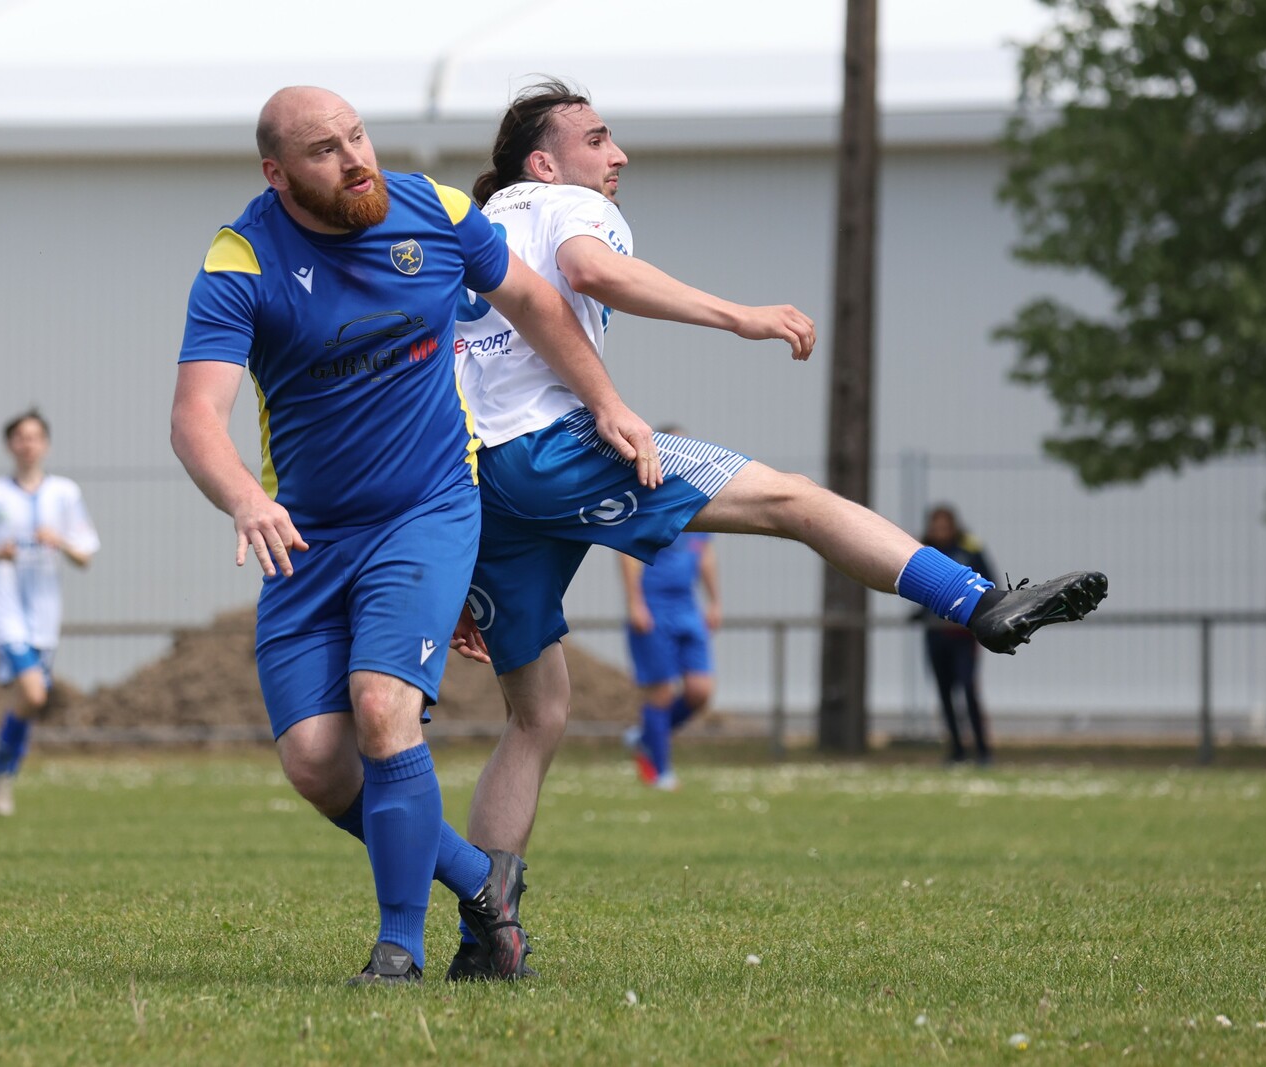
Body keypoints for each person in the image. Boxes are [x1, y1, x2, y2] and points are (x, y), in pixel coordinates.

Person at [450, 80, 1108, 960]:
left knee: (537, 714)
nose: (618, 155)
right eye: (598, 138)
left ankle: (487, 935)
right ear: (543, 162)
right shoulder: (569, 205)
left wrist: (457, 558)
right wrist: (742, 316)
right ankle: (977, 600)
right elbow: (591, 272)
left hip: (477, 480)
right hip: (554, 447)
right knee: (795, 499)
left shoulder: (471, 228)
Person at [169, 86, 660, 984]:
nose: (355, 158)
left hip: (426, 510)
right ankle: (482, 885)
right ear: (277, 173)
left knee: (381, 706)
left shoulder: (434, 208)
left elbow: (535, 302)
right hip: (307, 538)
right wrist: (244, 498)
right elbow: (197, 414)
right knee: (317, 764)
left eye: (357, 136)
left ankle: (399, 949)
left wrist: (606, 401)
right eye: (324, 151)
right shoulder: (243, 256)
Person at [0, 409, 100, 817]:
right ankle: (1, 778)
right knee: (35, 693)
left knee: (29, 702)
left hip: (45, 615)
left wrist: (61, 542)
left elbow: (85, 555)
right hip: (5, 611)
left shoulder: (65, 493)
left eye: (35, 436)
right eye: (21, 437)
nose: (28, 444)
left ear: (46, 444)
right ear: (10, 445)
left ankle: (1, 778)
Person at [618, 427, 720, 790]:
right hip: (655, 606)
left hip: (687, 605)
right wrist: (636, 603)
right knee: (660, 692)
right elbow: (628, 554)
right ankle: (660, 772)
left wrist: (715, 601)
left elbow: (704, 555)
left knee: (700, 690)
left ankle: (646, 736)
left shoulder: (697, 500)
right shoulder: (648, 500)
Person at [916, 505, 996, 764]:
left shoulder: (970, 549)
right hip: (936, 634)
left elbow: (988, 584)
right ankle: (956, 750)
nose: (940, 531)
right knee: (944, 692)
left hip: (962, 635)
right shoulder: (923, 551)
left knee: (968, 688)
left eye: (944, 526)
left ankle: (982, 750)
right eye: (935, 526)